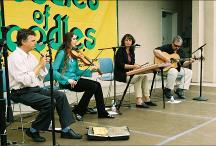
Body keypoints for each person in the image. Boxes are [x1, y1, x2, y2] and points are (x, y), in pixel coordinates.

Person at [8, 29, 82, 142]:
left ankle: (66, 130)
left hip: (34, 89)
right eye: (32, 41)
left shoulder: (30, 56)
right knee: (49, 101)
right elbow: (26, 80)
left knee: (60, 96)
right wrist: (39, 65)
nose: (35, 43)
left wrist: (43, 64)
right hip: (20, 92)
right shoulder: (14, 58)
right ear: (23, 41)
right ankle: (33, 130)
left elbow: (40, 76)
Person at [53, 32, 114, 121]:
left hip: (75, 80)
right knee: (93, 86)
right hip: (66, 82)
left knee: (97, 85)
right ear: (68, 40)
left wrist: (91, 70)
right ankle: (79, 110)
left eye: (76, 39)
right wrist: (67, 80)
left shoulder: (74, 54)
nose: (76, 41)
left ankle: (102, 112)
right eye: (73, 39)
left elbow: (77, 71)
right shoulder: (62, 53)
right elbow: (54, 71)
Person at [114, 34, 157, 108]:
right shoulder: (120, 51)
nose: (128, 42)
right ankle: (139, 101)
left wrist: (137, 67)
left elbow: (132, 64)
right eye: (126, 40)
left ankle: (147, 99)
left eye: (129, 40)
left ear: (132, 42)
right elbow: (121, 65)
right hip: (121, 74)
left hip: (130, 73)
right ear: (123, 41)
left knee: (145, 76)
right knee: (139, 78)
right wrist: (134, 66)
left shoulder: (131, 51)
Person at [153, 35, 194, 99]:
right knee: (174, 70)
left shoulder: (181, 51)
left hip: (174, 69)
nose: (177, 47)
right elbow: (155, 51)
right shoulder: (166, 47)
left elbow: (183, 64)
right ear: (172, 43)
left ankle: (180, 90)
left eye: (179, 46)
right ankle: (168, 90)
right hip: (163, 69)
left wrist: (189, 62)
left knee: (189, 72)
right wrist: (166, 58)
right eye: (175, 45)